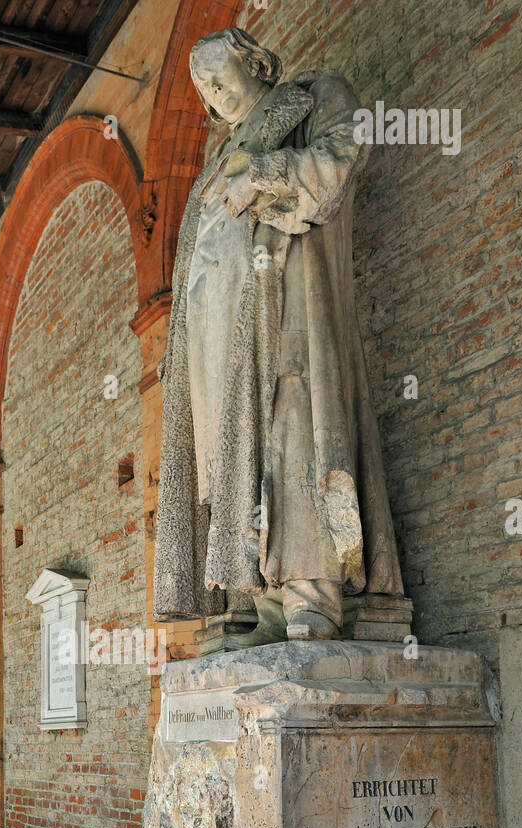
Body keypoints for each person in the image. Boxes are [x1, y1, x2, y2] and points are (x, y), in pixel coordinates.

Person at [153, 27, 405, 639]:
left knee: (293, 424)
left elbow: (343, 157)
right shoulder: (215, 159)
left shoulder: (313, 98)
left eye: (220, 77)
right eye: (204, 89)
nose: (214, 95)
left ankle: (311, 597)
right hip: (217, 336)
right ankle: (265, 601)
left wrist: (261, 175)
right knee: (232, 457)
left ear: (256, 61)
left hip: (286, 299)